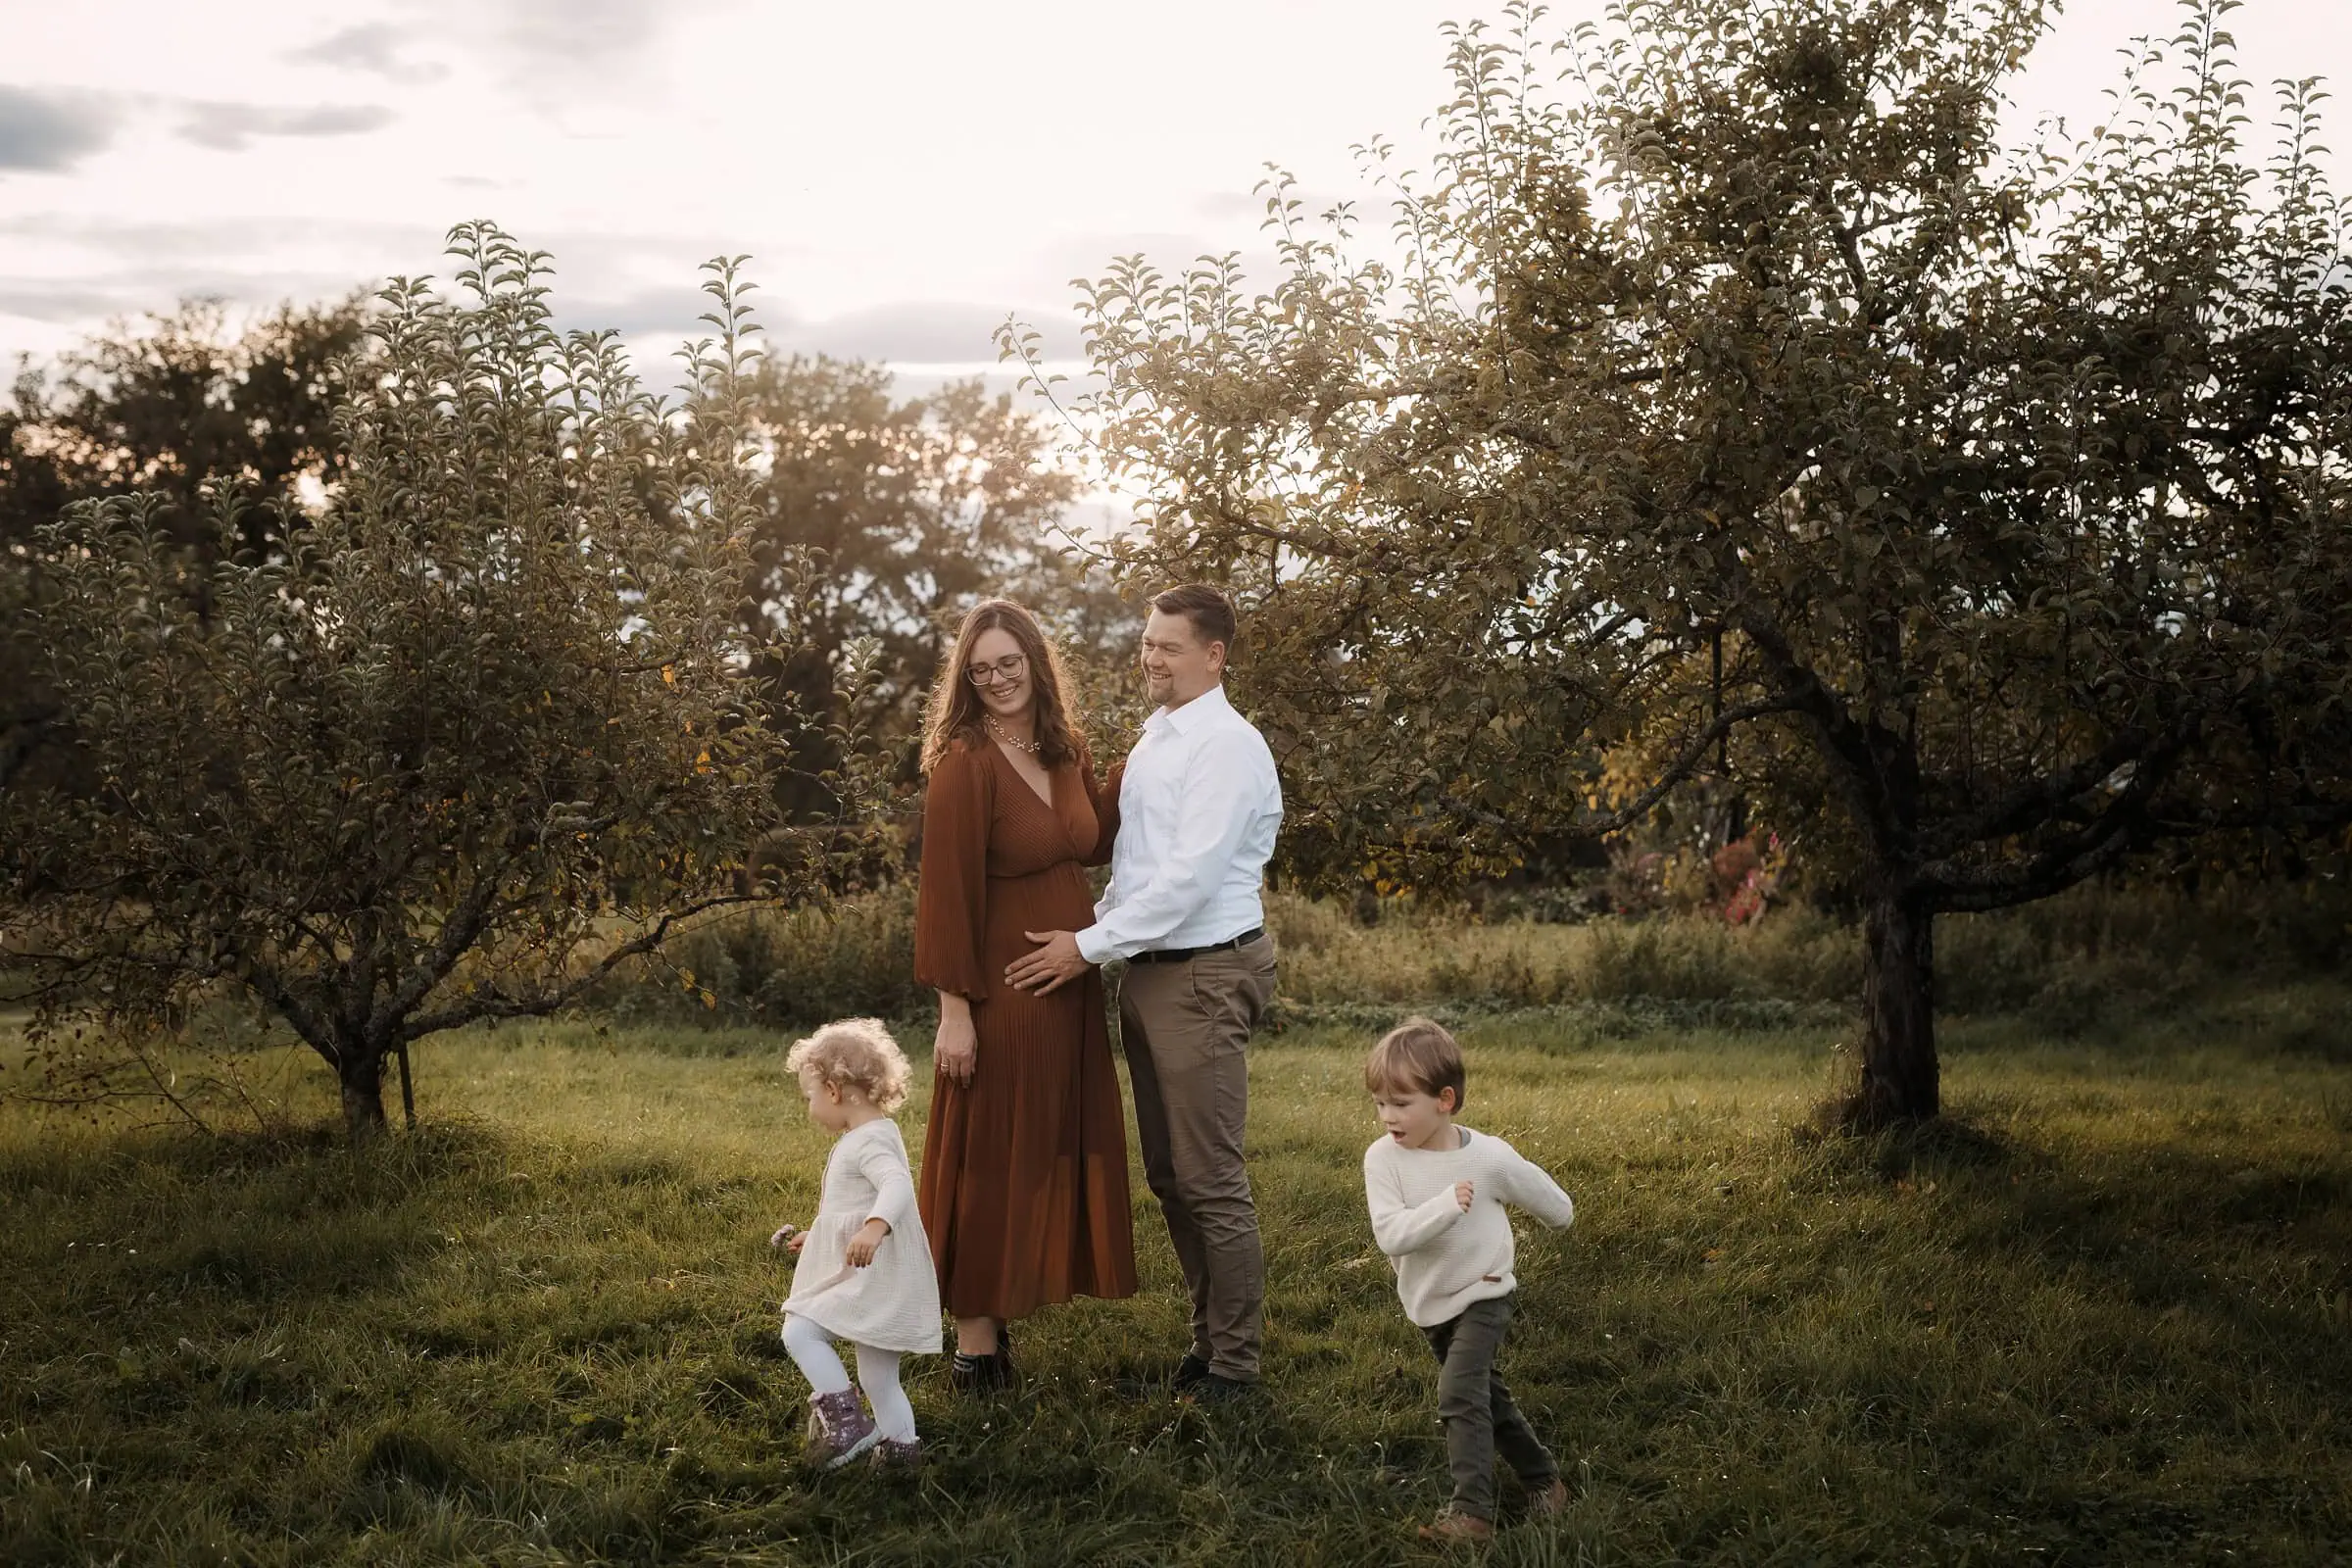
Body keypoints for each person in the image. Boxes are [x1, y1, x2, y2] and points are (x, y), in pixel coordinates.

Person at [1006, 584, 1282, 1400]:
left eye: (1167, 645)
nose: (1150, 657)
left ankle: (1237, 1367)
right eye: (1147, 643)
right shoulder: (1161, 735)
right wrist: (1085, 923)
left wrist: (1084, 947)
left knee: (1211, 1178)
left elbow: (1192, 882)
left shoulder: (1226, 746)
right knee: (1169, 1174)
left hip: (1204, 971)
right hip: (1154, 972)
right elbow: (1141, 872)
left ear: (1214, 655)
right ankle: (1207, 1347)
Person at [912, 598, 1138, 1392]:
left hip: (1068, 989)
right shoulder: (965, 764)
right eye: (982, 669)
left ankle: (1005, 1313)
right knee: (992, 1156)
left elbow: (1090, 839)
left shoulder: (1062, 747)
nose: (999, 677)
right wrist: (955, 1014)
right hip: (1003, 993)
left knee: (1041, 1148)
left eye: (1010, 662)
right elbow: (945, 897)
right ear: (967, 681)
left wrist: (1136, 769)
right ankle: (976, 1347)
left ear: (1036, 663)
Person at [1361, 1016, 1577, 1542]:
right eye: (1380, 1103)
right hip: (1430, 1300)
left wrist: (1554, 1212)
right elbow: (1391, 1236)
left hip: (1484, 1289)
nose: (1388, 1116)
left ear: (1445, 1100)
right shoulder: (1382, 1160)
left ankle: (1472, 1513)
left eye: (1401, 1103)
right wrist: (1444, 1207)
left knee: (1459, 1393)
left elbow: (1558, 1208)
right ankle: (1545, 1481)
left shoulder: (1488, 1157)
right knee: (1488, 1400)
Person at [769, 1018, 940, 1469]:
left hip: (873, 1274)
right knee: (880, 1376)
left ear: (835, 1089)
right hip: (881, 1276)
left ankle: (847, 1422)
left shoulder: (868, 1142)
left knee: (799, 1329)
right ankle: (903, 1455)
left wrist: (874, 1228)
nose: (809, 1108)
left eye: (809, 1096)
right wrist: (821, 1234)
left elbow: (897, 1186)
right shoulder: (874, 1134)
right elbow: (854, 1204)